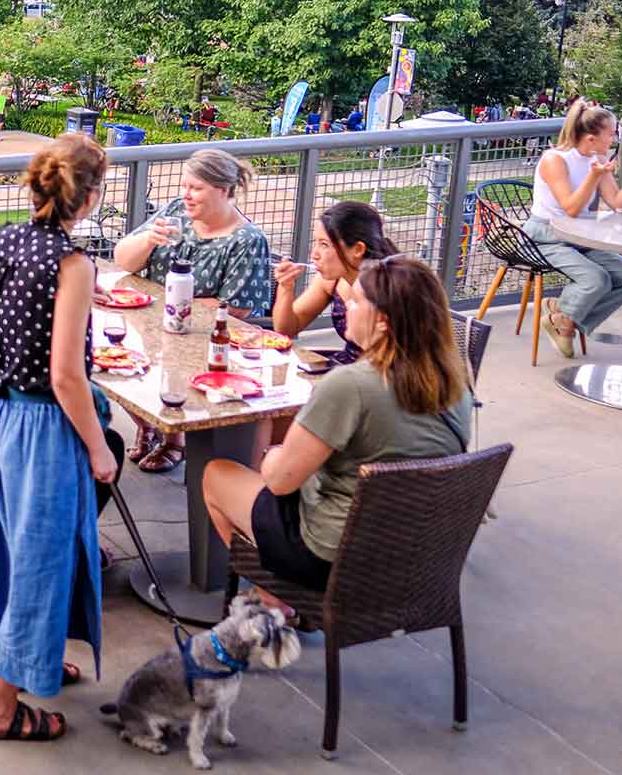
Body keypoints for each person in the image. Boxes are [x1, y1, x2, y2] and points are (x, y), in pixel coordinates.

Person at [201, 256, 473, 604]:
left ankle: (274, 602)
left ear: (384, 322)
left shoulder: (350, 385)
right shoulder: (456, 385)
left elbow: (280, 481)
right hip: (417, 554)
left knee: (216, 474)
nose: (347, 304)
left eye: (357, 300)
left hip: (335, 556)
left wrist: (272, 456)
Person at [0, 134, 125, 743]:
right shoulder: (73, 264)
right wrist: (97, 448)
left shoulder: (3, 240)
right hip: (42, 426)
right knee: (42, 562)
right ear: (87, 198)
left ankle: (30, 659)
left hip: (2, 417)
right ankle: (0, 707)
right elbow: (66, 375)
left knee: (15, 555)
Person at [113, 148, 274, 473]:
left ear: (224, 190)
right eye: (184, 186)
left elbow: (238, 308)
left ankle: (177, 441)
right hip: (154, 326)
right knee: (111, 366)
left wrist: (171, 307)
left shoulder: (246, 240)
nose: (185, 195)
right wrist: (147, 241)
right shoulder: (176, 214)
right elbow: (123, 259)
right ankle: (149, 425)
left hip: (208, 339)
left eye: (195, 188)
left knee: (159, 363)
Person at [526, 100, 622, 358]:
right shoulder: (555, 160)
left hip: (579, 236)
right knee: (596, 279)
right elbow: (571, 208)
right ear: (590, 138)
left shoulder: (596, 158)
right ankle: (564, 320)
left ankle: (565, 317)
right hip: (546, 236)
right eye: (611, 133)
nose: (614, 138)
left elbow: (619, 203)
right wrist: (593, 176)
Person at [270, 202, 399, 365]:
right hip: (347, 369)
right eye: (315, 242)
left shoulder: (390, 286)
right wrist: (285, 287)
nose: (314, 254)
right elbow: (286, 330)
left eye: (324, 244)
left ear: (358, 249)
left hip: (382, 376)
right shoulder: (332, 280)